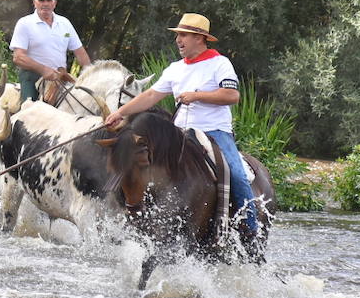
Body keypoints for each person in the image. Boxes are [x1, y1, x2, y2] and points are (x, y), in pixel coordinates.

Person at [104, 13, 257, 238]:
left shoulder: (220, 63)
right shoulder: (175, 68)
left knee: (236, 174)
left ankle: (250, 227)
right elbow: (151, 95)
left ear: (200, 38)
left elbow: (232, 95)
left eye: (183, 35)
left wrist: (197, 96)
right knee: (137, 163)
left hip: (214, 132)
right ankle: (135, 218)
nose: (178, 40)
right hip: (179, 133)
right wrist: (120, 112)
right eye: (177, 35)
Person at [10, 0, 92, 102]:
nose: (45, 3)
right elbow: (18, 58)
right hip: (32, 78)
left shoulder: (65, 23)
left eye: (49, 0)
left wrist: (90, 76)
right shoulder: (25, 23)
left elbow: (80, 53)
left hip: (61, 79)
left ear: (55, 3)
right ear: (35, 3)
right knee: (30, 112)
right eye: (41, 0)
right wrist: (43, 70)